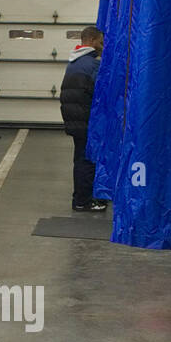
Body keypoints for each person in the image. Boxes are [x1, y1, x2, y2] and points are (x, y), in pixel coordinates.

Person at [60, 25, 108, 212]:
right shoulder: (93, 65)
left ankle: (80, 197)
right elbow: (102, 93)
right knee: (87, 160)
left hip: (73, 119)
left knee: (80, 158)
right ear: (93, 41)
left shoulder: (74, 62)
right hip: (86, 120)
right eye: (101, 42)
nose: (103, 46)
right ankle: (83, 201)